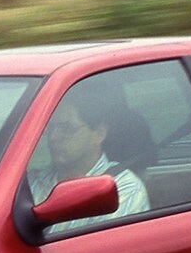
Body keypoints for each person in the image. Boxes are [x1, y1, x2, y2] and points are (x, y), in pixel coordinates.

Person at [26, 87, 150, 234]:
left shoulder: (123, 190)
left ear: (99, 133)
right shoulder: (30, 183)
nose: (53, 138)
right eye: (50, 127)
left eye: (67, 128)